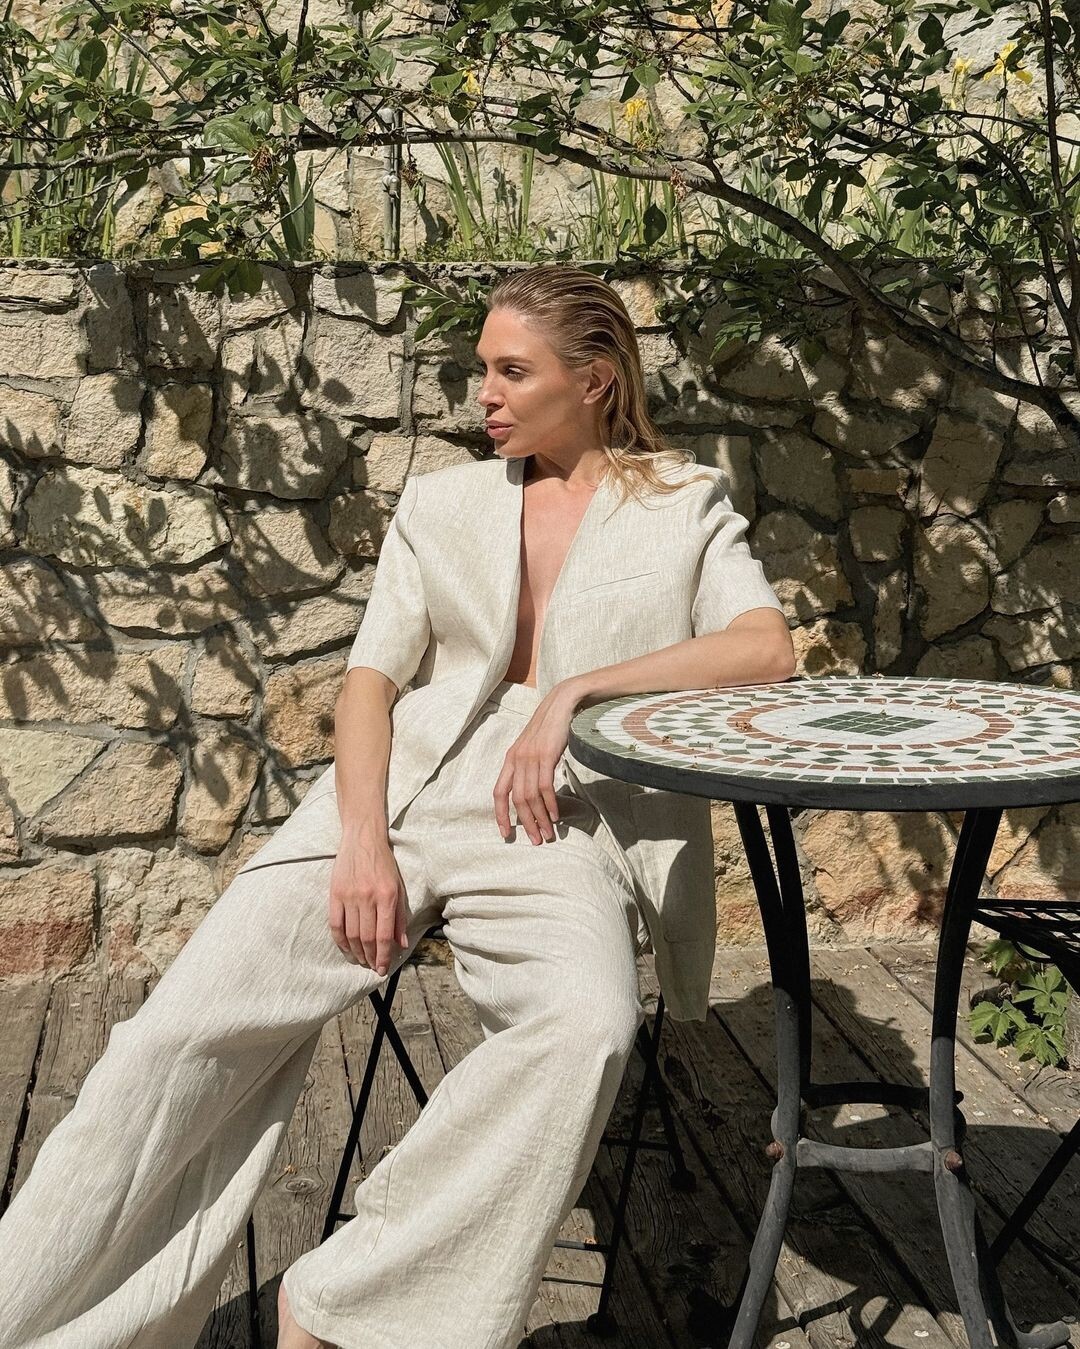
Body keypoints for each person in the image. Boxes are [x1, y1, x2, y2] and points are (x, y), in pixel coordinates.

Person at [0, 265, 794, 1349]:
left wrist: (573, 693)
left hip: (556, 822)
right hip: (395, 798)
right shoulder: (442, 503)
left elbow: (764, 647)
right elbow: (369, 684)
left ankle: (341, 1301)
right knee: (174, 1036)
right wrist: (363, 845)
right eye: (482, 369)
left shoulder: (681, 503)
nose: (485, 394)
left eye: (513, 371)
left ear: (595, 380)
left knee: (587, 1026)